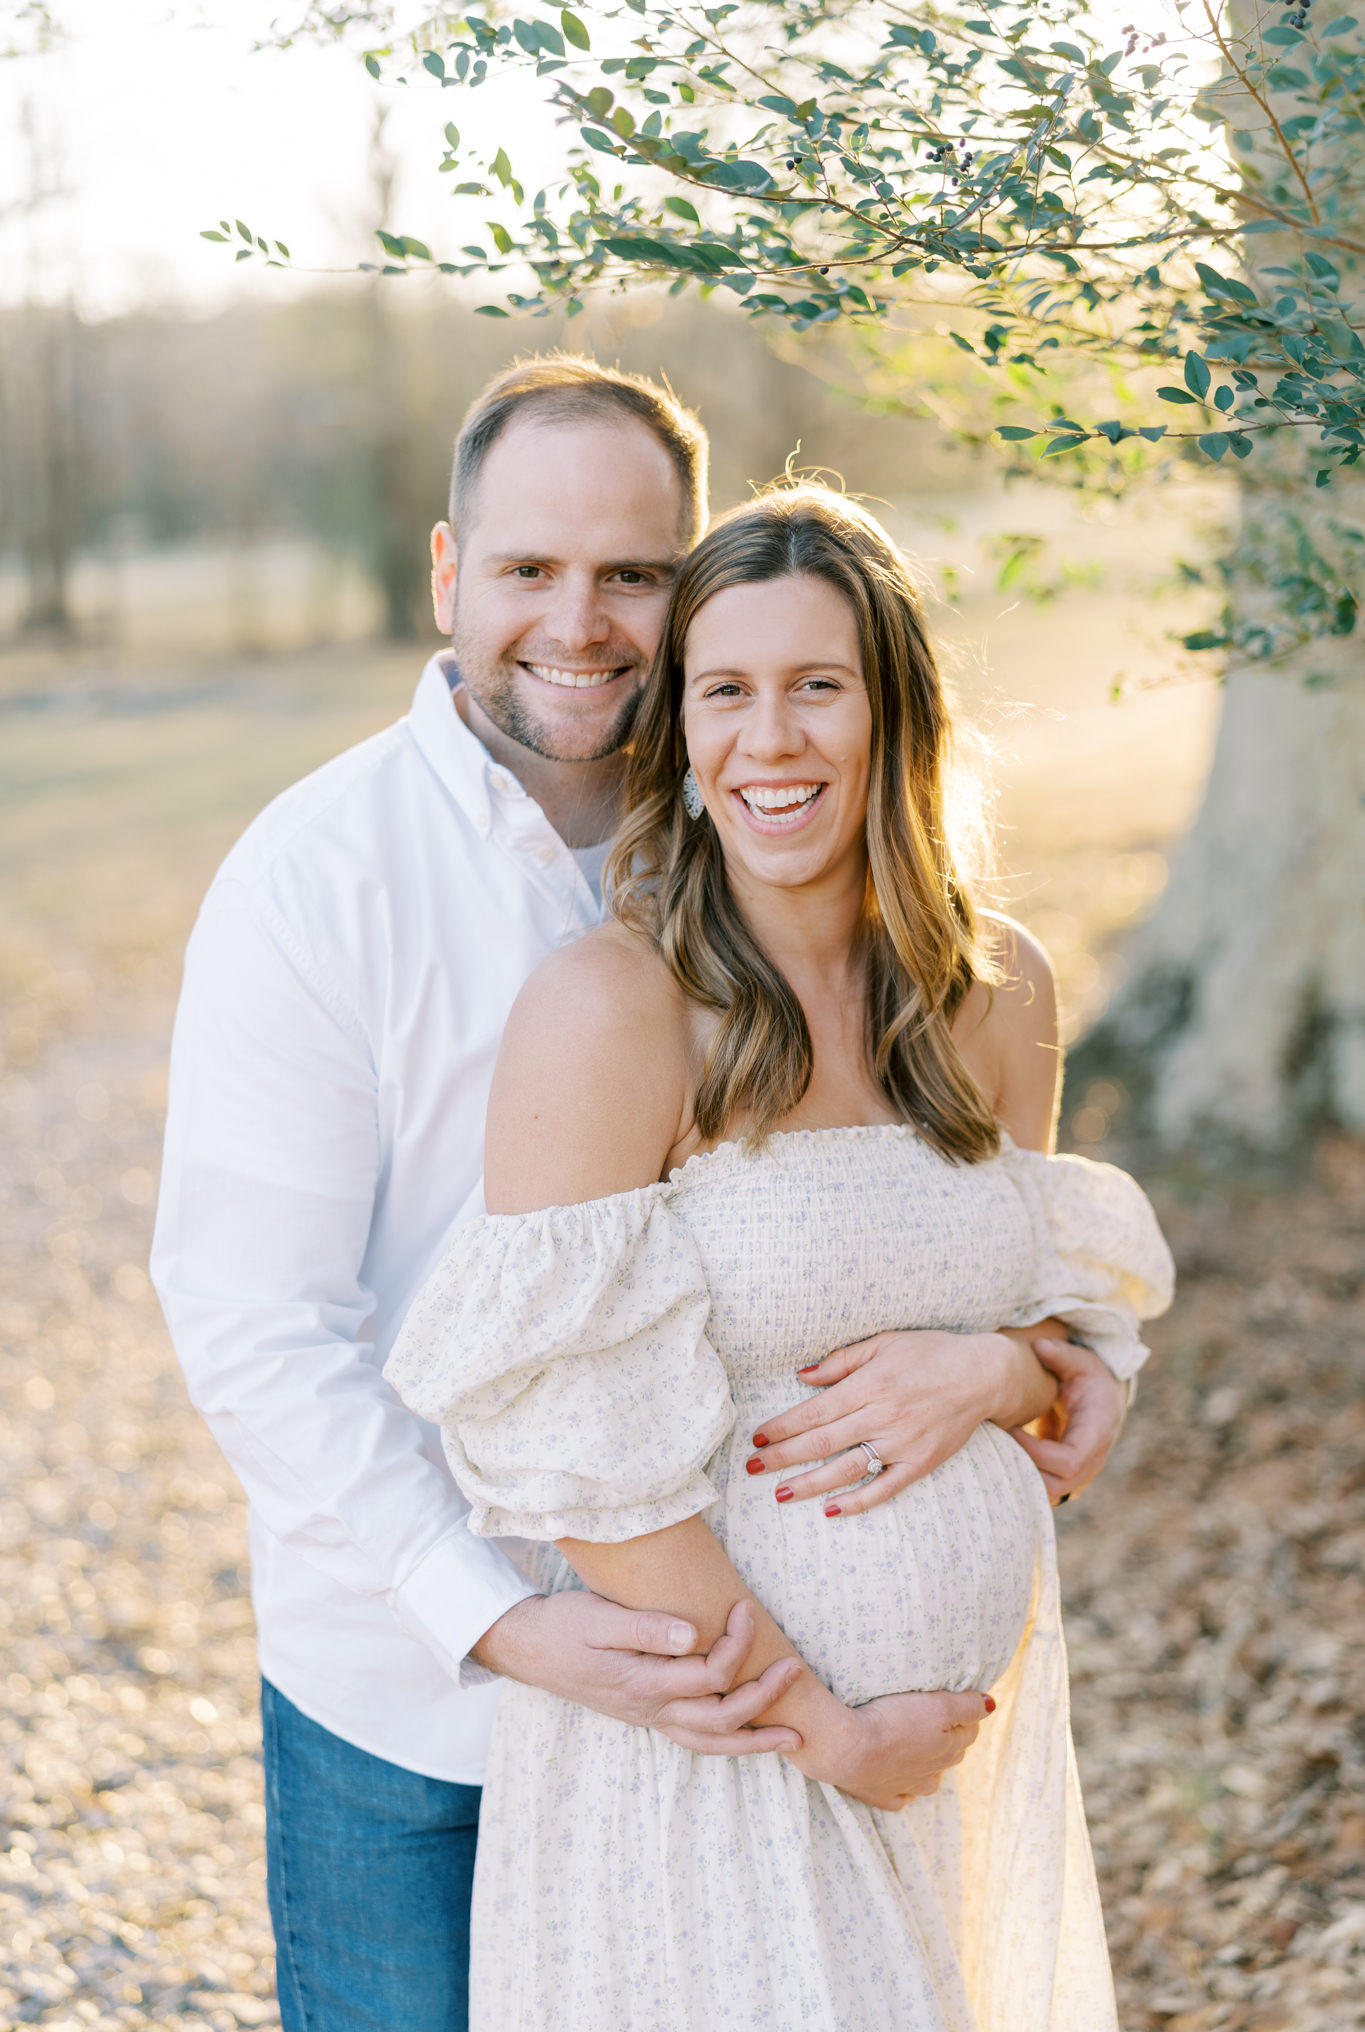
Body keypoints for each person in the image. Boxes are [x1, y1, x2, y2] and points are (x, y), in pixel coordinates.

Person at [152, 356, 1142, 2032]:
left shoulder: (767, 846)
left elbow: (940, 1258)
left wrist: (1019, 1364)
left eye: (631, 575)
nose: (581, 619)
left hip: (827, 1737)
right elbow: (256, 1325)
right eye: (532, 570)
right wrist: (500, 1622)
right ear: (450, 573)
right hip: (425, 1686)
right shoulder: (319, 879)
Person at [388, 487, 1174, 2030]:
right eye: (724, 692)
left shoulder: (994, 989)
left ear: (894, 711)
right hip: (726, 1754)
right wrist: (827, 1729)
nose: (771, 740)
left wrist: (1012, 1364)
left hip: (952, 1759)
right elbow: (582, 1459)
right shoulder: (613, 1009)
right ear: (676, 731)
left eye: (817, 685)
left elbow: (1029, 1315)